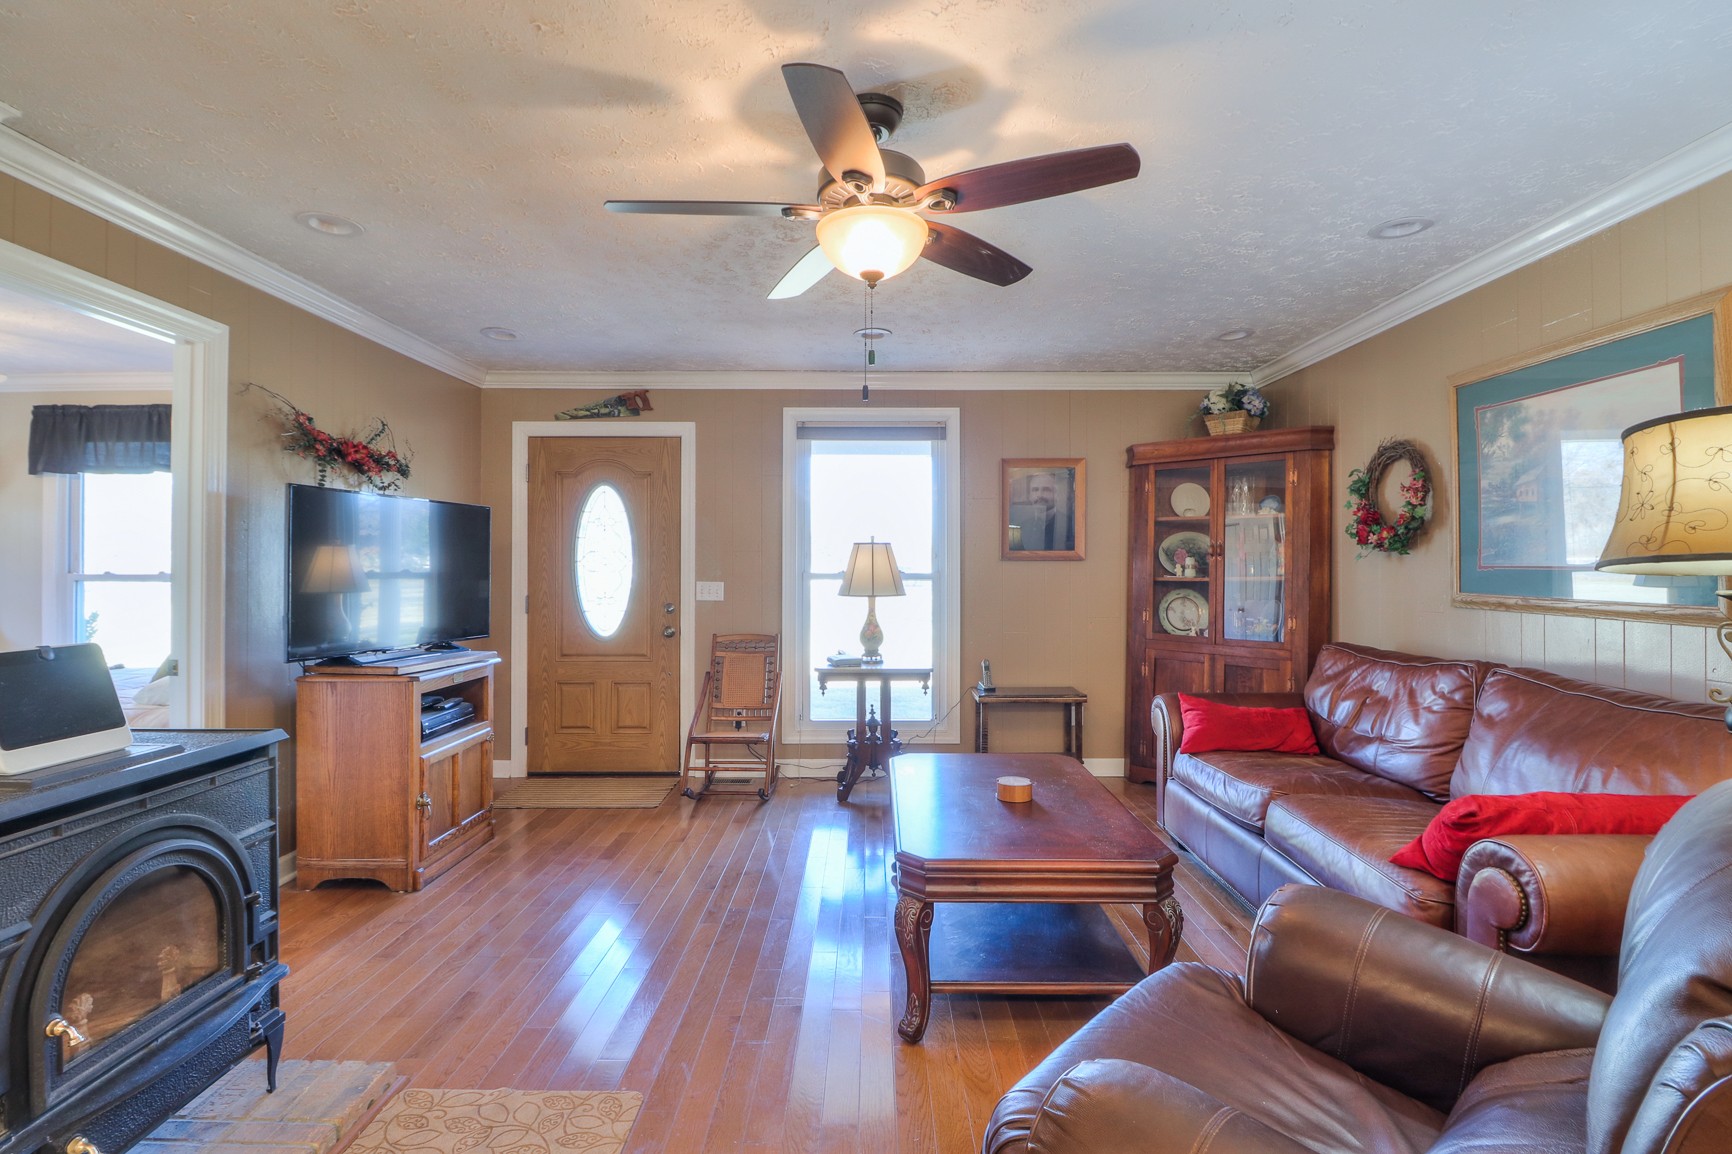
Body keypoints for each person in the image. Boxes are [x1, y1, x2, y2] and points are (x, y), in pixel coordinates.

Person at [1010, 471, 1074, 551]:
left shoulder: (1070, 525)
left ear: (1056, 494)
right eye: (1035, 490)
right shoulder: (1023, 526)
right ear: (1030, 496)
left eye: (1046, 489)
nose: (1040, 495)